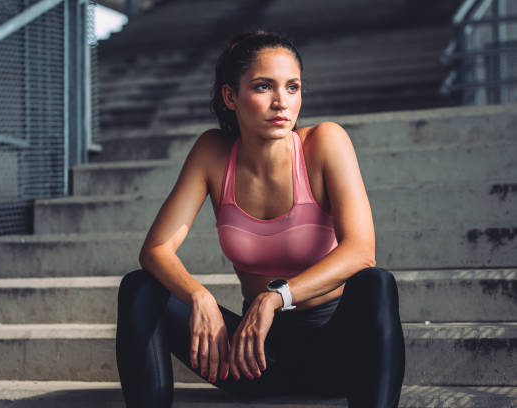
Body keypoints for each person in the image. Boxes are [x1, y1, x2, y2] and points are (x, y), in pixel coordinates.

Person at [116, 30, 406, 408]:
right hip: (253, 357)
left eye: (292, 87)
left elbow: (361, 252)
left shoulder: (324, 143)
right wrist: (199, 296)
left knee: (376, 283)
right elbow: (156, 249)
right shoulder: (213, 153)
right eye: (263, 87)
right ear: (230, 96)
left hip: (335, 354)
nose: (281, 102)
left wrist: (275, 297)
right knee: (141, 288)